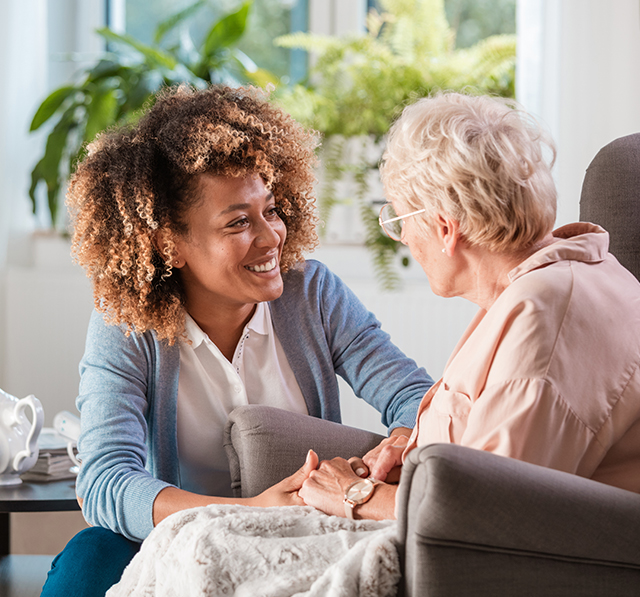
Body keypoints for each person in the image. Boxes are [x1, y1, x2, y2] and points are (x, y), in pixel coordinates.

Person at [40, 85, 433, 596]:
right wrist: (247, 512)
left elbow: (416, 398)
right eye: (239, 222)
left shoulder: (312, 293)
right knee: (88, 559)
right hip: (174, 541)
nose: (271, 237)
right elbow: (106, 482)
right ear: (169, 243)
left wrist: (400, 441)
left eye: (270, 210)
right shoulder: (127, 325)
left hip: (298, 535)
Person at [298, 92, 640, 521]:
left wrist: (356, 495)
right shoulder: (544, 285)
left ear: (444, 227)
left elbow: (490, 512)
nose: (405, 240)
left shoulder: (547, 316)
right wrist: (416, 453)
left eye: (398, 220)